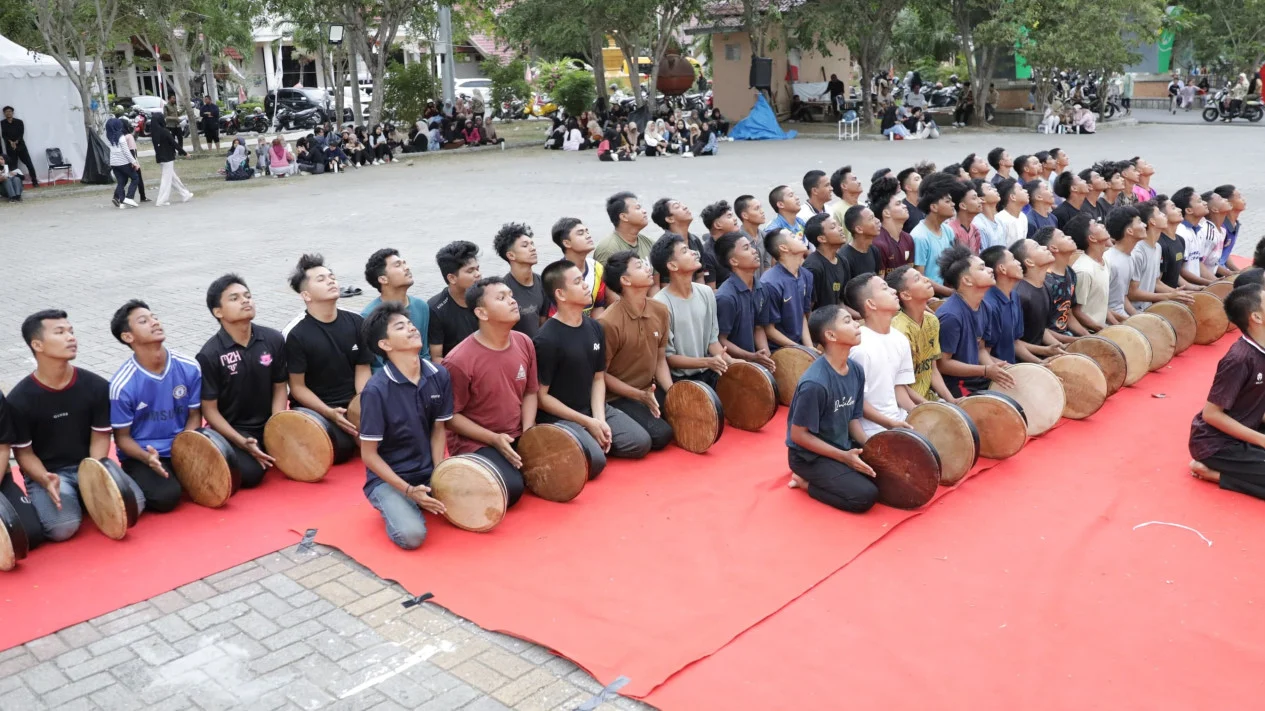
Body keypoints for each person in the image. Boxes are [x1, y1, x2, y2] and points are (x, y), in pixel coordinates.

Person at [7, 310, 141, 543]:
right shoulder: (19, 400)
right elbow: (24, 454)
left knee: (135, 505)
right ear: (37, 344)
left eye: (71, 331)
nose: (71, 337)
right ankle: (75, 499)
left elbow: (101, 437)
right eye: (60, 332)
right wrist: (44, 478)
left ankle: (83, 495)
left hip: (89, 464)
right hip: (50, 473)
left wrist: (96, 475)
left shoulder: (96, 385)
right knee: (62, 528)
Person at [357, 302, 452, 550]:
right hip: (389, 478)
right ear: (385, 344)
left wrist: (440, 476)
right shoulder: (376, 391)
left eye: (411, 324)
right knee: (412, 536)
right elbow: (368, 455)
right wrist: (408, 490)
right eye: (401, 327)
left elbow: (438, 431)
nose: (412, 329)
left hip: (427, 471)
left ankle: (419, 498)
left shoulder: (439, 375)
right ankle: (395, 500)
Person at [536, 260, 649, 461]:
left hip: (593, 406)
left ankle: (590, 440)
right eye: (578, 282)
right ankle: (582, 442)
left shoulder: (595, 328)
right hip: (562, 415)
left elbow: (598, 378)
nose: (586, 285)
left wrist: (599, 419)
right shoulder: (546, 339)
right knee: (596, 461)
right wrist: (587, 422)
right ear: (560, 294)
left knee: (640, 443)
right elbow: (542, 398)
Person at [784, 305, 878, 513]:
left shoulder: (855, 370)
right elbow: (798, 435)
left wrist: (869, 447)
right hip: (808, 457)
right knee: (865, 496)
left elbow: (853, 417)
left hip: (841, 445)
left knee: (887, 476)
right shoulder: (815, 383)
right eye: (847, 321)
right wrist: (844, 457)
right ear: (830, 335)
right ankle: (804, 482)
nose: (856, 323)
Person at [197, 275, 288, 489]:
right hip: (234, 430)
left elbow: (280, 386)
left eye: (248, 296)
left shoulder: (273, 339)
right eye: (235, 298)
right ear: (218, 312)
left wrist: (277, 425)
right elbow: (209, 411)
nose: (246, 301)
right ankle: (219, 454)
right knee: (252, 474)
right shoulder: (209, 354)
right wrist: (240, 441)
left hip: (269, 424)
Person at [108, 300, 199, 513]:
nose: (155, 322)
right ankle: (132, 478)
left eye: (154, 317)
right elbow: (122, 438)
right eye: (144, 321)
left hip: (183, 444)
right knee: (167, 498)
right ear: (128, 337)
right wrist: (146, 457)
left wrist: (186, 445)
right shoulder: (122, 385)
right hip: (144, 455)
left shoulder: (189, 367)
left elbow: (195, 414)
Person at [283, 254, 371, 450]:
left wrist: (363, 405)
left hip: (353, 402)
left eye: (331, 277)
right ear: (306, 295)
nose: (331, 281)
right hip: (317, 410)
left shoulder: (357, 322)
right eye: (321, 279)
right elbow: (297, 387)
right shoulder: (295, 333)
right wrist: (329, 412)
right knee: (339, 447)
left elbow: (363, 367)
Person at [1189, 283, 1265, 497]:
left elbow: (1254, 401)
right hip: (1217, 444)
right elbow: (1211, 414)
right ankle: (1214, 474)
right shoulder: (1239, 359)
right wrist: (1261, 440)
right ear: (1256, 318)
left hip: (1249, 428)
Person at [598, 251, 674, 451]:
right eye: (639, 267)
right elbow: (600, 375)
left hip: (650, 390)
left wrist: (673, 392)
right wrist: (639, 395)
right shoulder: (608, 322)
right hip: (619, 397)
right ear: (625, 280)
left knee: (690, 412)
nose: (648, 269)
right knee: (660, 436)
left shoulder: (660, 310)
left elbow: (660, 360)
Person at [934, 245, 1016, 395]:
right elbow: (943, 364)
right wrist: (985, 370)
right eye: (982, 268)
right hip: (956, 385)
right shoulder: (951, 316)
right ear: (967, 280)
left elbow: (980, 349)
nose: (990, 270)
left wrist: (997, 370)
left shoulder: (986, 307)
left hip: (977, 378)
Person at [650, 234, 729, 387]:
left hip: (710, 371)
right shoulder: (660, 304)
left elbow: (712, 342)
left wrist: (730, 361)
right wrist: (708, 361)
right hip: (682, 381)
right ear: (672, 266)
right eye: (685, 251)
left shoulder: (706, 292)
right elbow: (669, 359)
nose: (694, 252)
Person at [845, 274, 916, 436]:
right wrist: (889, 424)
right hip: (872, 430)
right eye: (885, 288)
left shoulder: (900, 339)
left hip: (899, 420)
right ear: (871, 303)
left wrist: (920, 413)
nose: (893, 291)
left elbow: (898, 388)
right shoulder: (859, 347)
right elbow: (855, 401)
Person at [888, 266, 957, 402]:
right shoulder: (898, 330)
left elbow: (932, 369)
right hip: (906, 405)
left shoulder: (932, 320)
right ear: (906, 295)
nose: (926, 279)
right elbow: (899, 384)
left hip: (929, 399)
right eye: (917, 279)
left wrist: (951, 400)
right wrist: (927, 407)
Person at [714, 232, 777, 371]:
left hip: (755, 362)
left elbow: (759, 327)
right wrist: (751, 356)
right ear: (734, 261)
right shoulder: (726, 297)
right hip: (733, 367)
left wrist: (766, 357)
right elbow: (721, 340)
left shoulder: (761, 288)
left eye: (752, 246)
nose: (754, 251)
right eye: (746, 248)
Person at [362, 248, 431, 371]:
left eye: (405, 263)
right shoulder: (368, 315)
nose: (407, 267)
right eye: (398, 265)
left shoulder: (421, 306)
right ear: (383, 279)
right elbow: (377, 365)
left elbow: (424, 353)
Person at [1130, 201, 1196, 313]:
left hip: (1148, 309)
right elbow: (1132, 293)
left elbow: (1156, 282)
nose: (1164, 215)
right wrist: (1167, 296)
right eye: (1160, 214)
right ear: (1152, 222)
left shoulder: (1157, 247)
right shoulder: (1137, 252)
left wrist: (1177, 294)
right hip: (1133, 311)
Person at [427, 241, 482, 361]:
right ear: (452, 278)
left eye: (478, 269)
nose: (478, 274)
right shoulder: (436, 309)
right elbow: (436, 357)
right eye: (470, 271)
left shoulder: (487, 297)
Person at [761, 228, 815, 349]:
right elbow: (769, 330)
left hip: (800, 346)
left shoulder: (806, 275)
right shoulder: (770, 283)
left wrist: (809, 348)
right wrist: (801, 349)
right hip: (780, 350)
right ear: (783, 248)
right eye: (793, 236)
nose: (799, 236)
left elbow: (802, 315)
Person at [549, 217, 609, 318]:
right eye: (581, 233)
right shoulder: (557, 275)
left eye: (587, 232)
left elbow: (598, 306)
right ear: (566, 243)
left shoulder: (596, 267)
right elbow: (553, 316)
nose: (588, 236)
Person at [493, 223, 545, 339]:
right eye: (525, 246)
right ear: (511, 255)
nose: (533, 248)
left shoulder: (543, 283)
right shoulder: (502, 289)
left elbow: (544, 323)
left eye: (532, 244)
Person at [652, 197, 720, 286]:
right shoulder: (666, 247)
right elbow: (666, 284)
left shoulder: (695, 240)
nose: (684, 207)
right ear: (669, 219)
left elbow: (700, 275)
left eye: (682, 204)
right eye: (677, 207)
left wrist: (699, 294)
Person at [911, 172, 959, 297]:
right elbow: (919, 276)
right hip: (930, 297)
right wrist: (950, 292)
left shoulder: (948, 230)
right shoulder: (919, 236)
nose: (953, 204)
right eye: (948, 201)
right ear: (934, 207)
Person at [1104, 206, 1145, 320]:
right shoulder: (1109, 261)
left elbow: (1122, 297)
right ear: (1129, 231)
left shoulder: (1130, 257)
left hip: (1123, 318)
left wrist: (1137, 316)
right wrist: (1126, 322)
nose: (1145, 225)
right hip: (1110, 324)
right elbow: (1098, 306)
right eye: (1140, 222)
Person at [866, 177, 914, 275]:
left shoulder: (908, 238)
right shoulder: (877, 244)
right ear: (886, 213)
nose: (904, 206)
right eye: (898, 204)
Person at [803, 213, 850, 309]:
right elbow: (808, 310)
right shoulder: (813, 267)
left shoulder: (842, 260)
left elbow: (840, 302)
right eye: (833, 227)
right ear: (821, 239)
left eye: (838, 225)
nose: (840, 228)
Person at [595, 191, 655, 265]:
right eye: (637, 208)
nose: (644, 211)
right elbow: (605, 276)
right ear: (624, 217)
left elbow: (655, 276)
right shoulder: (608, 249)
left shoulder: (649, 243)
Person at [147, 114, 195, 204]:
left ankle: (185, 194)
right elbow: (174, 144)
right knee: (166, 179)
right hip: (168, 158)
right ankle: (161, 200)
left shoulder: (154, 133)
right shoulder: (164, 131)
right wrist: (185, 153)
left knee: (173, 178)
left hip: (160, 158)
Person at [1173, 187, 1216, 286]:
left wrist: (1216, 282)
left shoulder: (1199, 230)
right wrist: (1208, 283)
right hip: (1185, 290)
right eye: (1199, 201)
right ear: (1188, 210)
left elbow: (1199, 263)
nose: (1205, 203)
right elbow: (1180, 270)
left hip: (1197, 287)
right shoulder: (1181, 232)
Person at [106, 118, 141, 209]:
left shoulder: (109, 137)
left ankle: (122, 202)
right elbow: (126, 152)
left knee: (121, 181)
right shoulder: (121, 137)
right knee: (135, 178)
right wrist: (134, 162)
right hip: (123, 162)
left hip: (114, 163)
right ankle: (129, 197)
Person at [842, 205, 885, 277]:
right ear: (859, 229)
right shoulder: (844, 258)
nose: (877, 220)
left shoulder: (874, 250)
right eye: (871, 218)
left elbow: (880, 273)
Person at [1, 106, 39, 186]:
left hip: (21, 146)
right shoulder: (2, 123)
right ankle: (18, 183)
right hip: (10, 147)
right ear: (4, 113)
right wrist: (11, 142)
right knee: (13, 166)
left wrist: (16, 142)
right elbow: (4, 135)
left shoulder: (19, 122)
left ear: (12, 112)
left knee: (29, 163)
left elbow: (21, 134)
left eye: (10, 111)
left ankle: (35, 181)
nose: (8, 113)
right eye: (6, 112)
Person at [947, 180, 983, 253]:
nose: (980, 201)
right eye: (974, 198)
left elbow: (976, 257)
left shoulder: (975, 229)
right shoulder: (950, 231)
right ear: (963, 206)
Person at [827, 165, 864, 231]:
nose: (859, 182)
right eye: (854, 179)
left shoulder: (864, 207)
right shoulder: (835, 211)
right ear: (844, 186)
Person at [899, 167, 926, 234]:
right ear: (908, 187)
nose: (922, 181)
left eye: (921, 178)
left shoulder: (927, 205)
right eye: (917, 179)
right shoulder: (902, 209)